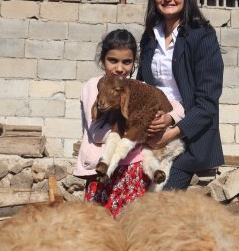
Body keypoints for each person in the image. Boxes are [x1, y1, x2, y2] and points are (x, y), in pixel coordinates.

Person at [74, 28, 184, 217]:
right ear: (102, 60)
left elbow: (178, 107)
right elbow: (97, 133)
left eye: (127, 62)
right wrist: (136, 133)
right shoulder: (95, 85)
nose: (119, 68)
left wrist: (168, 118)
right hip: (103, 171)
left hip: (133, 170)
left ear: (134, 63)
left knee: (132, 226)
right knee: (99, 227)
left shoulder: (137, 88)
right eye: (113, 60)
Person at [137, 0, 225, 190]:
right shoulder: (149, 38)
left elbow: (207, 103)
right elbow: (141, 88)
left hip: (188, 139)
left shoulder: (202, 35)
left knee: (162, 203)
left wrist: (169, 132)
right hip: (151, 132)